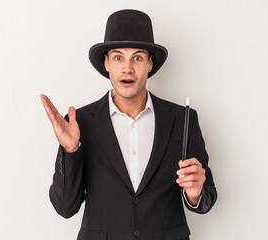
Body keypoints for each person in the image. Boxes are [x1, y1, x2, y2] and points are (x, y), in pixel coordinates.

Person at [40, 9, 217, 240]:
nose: (128, 68)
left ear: (150, 63)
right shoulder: (79, 122)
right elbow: (65, 208)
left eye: (137, 57)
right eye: (118, 57)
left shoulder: (184, 119)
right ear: (106, 63)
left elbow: (207, 197)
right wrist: (70, 150)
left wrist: (194, 194)